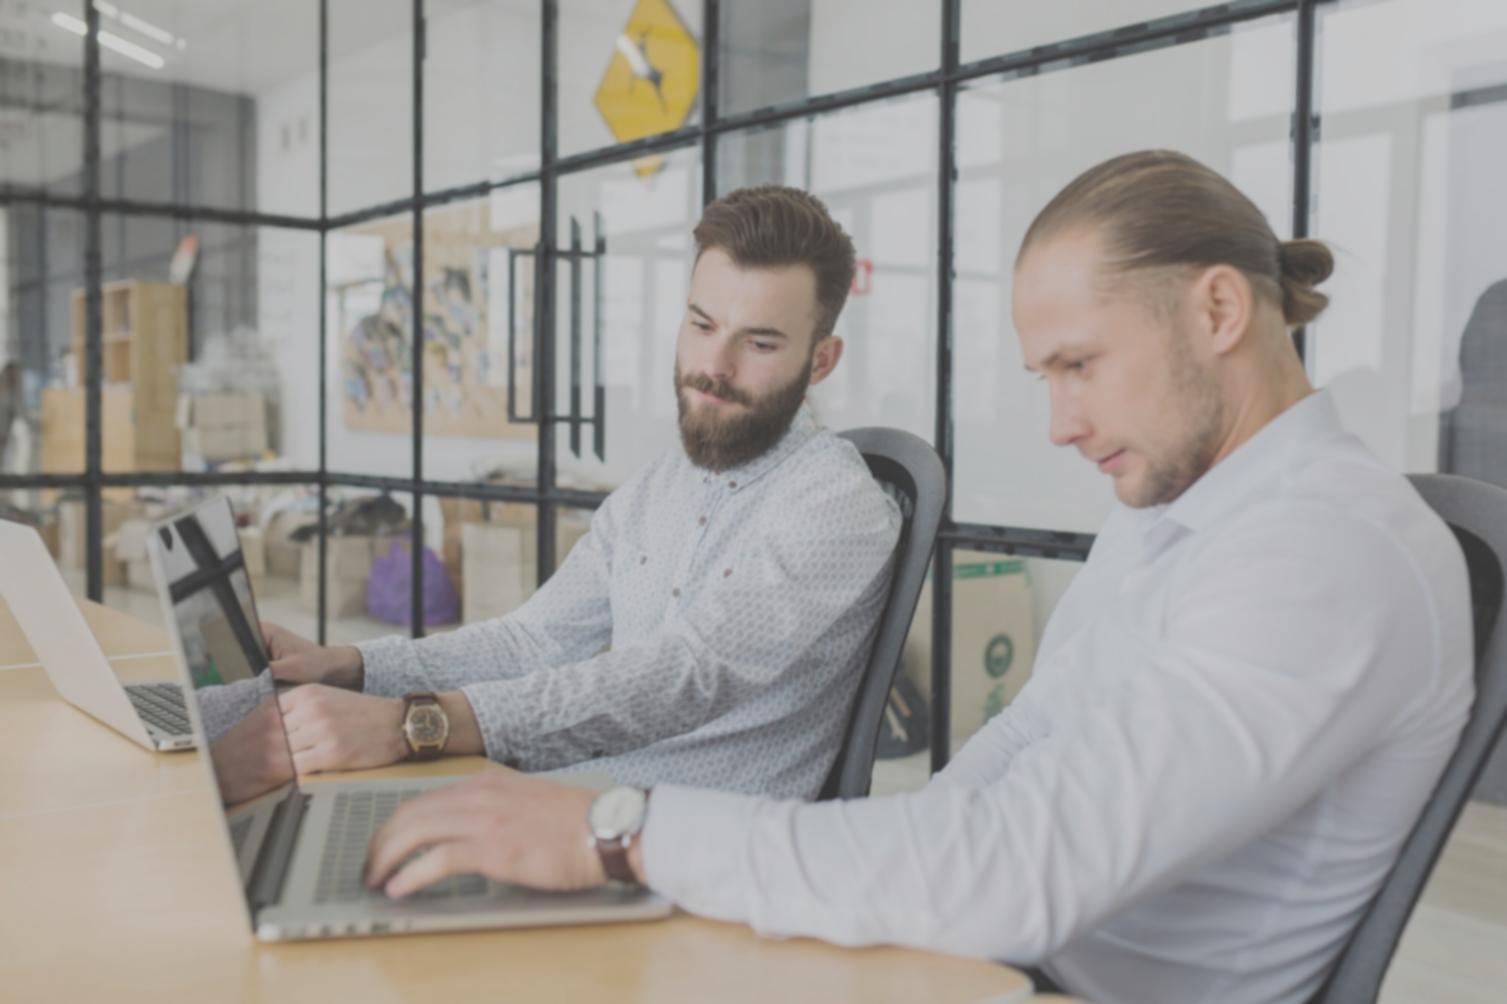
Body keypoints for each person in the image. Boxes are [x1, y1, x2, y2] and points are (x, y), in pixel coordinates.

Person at [359, 151, 1473, 1004]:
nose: (1058, 422)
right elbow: (1025, 746)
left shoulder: (1325, 552)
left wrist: (616, 830)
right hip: (990, 960)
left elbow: (1028, 864)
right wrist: (904, 866)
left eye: (1078, 365)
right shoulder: (1187, 507)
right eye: (1044, 376)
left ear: (1219, 310)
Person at [248, 185, 902, 799]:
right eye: (701, 325)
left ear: (820, 361)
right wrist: (349, 667)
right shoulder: (660, 485)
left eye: (758, 343)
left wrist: (411, 724)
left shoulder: (836, 504)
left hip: (678, 847)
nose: (713, 367)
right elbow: (532, 641)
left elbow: (685, 674)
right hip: (565, 794)